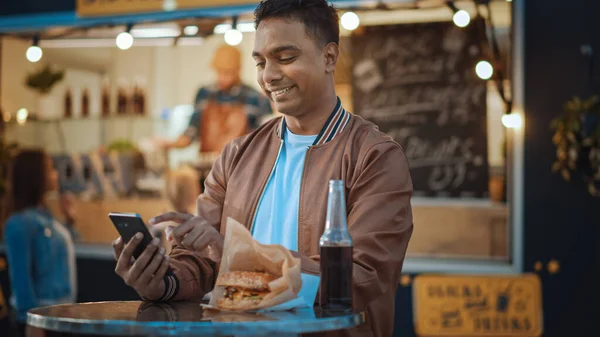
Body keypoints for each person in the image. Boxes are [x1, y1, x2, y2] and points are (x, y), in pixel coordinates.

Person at [113, 1, 413, 336]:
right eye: (260, 62)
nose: (269, 75)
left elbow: (361, 276)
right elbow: (199, 264)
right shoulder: (237, 155)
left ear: (329, 57)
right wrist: (160, 279)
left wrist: (239, 255)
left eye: (286, 58)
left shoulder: (375, 157)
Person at [3, 149, 78, 337]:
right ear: (36, 176)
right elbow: (20, 279)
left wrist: (70, 219)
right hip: (42, 322)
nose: (56, 174)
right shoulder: (18, 223)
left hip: (61, 317)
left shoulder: (47, 217)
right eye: (51, 168)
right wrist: (32, 321)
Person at [160, 44, 273, 154]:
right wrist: (170, 144)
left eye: (227, 73)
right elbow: (191, 131)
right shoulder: (204, 94)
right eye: (219, 72)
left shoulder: (255, 98)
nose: (222, 78)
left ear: (238, 70)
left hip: (239, 166)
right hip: (207, 167)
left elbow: (264, 141)